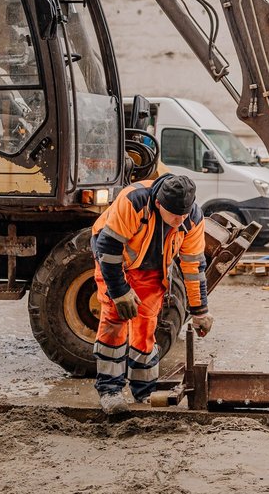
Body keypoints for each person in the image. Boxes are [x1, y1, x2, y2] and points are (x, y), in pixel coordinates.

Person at [91, 173, 213, 413]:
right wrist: (120, 291)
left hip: (152, 268)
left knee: (146, 325)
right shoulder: (133, 201)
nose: (180, 220)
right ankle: (110, 390)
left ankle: (144, 390)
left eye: (184, 214)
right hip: (115, 262)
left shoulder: (193, 218)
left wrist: (200, 311)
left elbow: (193, 266)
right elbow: (108, 247)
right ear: (158, 204)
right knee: (115, 321)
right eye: (175, 215)